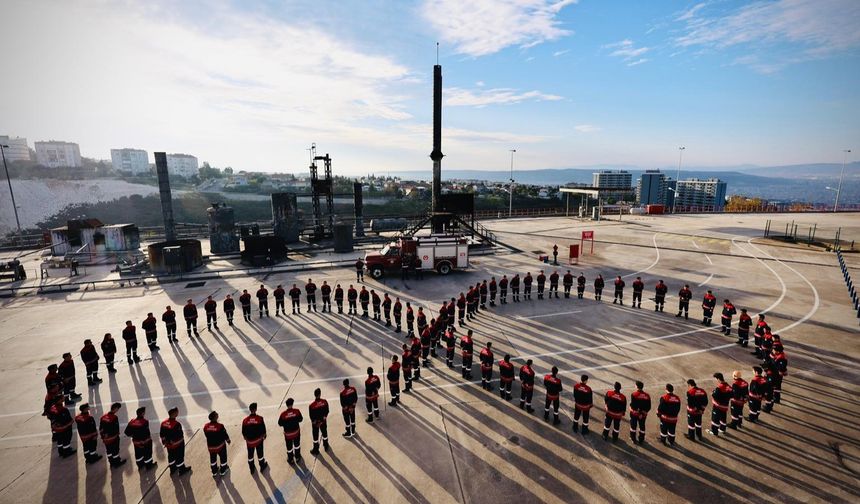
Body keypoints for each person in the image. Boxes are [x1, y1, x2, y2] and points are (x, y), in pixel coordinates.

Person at [160, 407, 190, 475]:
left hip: (168, 445)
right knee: (179, 457)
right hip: (177, 445)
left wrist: (165, 442)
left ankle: (172, 469)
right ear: (174, 414)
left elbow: (162, 435)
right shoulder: (176, 424)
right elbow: (179, 436)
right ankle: (182, 470)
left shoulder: (163, 423)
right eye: (177, 411)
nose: (178, 412)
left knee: (171, 456)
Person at [242, 403, 268, 473]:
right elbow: (263, 429)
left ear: (250, 410)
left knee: (250, 455)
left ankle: (252, 469)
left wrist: (247, 440)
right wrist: (264, 436)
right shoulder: (260, 419)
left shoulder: (245, 420)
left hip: (250, 442)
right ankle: (262, 466)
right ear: (256, 409)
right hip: (258, 441)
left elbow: (243, 432)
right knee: (260, 454)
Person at [99, 402, 126, 468]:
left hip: (105, 439)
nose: (118, 410)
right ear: (115, 408)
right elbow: (115, 428)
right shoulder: (114, 417)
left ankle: (111, 462)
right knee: (115, 450)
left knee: (109, 450)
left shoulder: (103, 417)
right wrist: (117, 434)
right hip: (113, 438)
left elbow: (101, 428)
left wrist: (103, 436)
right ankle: (117, 462)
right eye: (118, 408)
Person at [204, 411, 231, 476]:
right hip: (220, 446)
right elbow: (224, 434)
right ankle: (223, 470)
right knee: (223, 458)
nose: (218, 415)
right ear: (215, 417)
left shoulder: (206, 426)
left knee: (213, 459)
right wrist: (228, 440)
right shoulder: (220, 426)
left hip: (211, 447)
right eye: (216, 414)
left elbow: (206, 435)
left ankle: (214, 471)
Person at [278, 398, 303, 464]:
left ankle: (290, 459)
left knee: (289, 447)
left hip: (288, 435)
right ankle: (297, 457)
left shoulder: (283, 414)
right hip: (296, 433)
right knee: (297, 445)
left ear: (286, 405)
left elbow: (280, 423)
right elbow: (301, 419)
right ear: (292, 404)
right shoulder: (297, 411)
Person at [309, 388, 330, 455]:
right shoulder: (324, 402)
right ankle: (326, 445)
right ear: (320, 394)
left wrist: (315, 422)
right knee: (324, 433)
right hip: (323, 422)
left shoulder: (311, 405)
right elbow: (327, 411)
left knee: (315, 436)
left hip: (315, 424)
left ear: (314, 395)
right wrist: (322, 421)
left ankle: (316, 449)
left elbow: (311, 416)